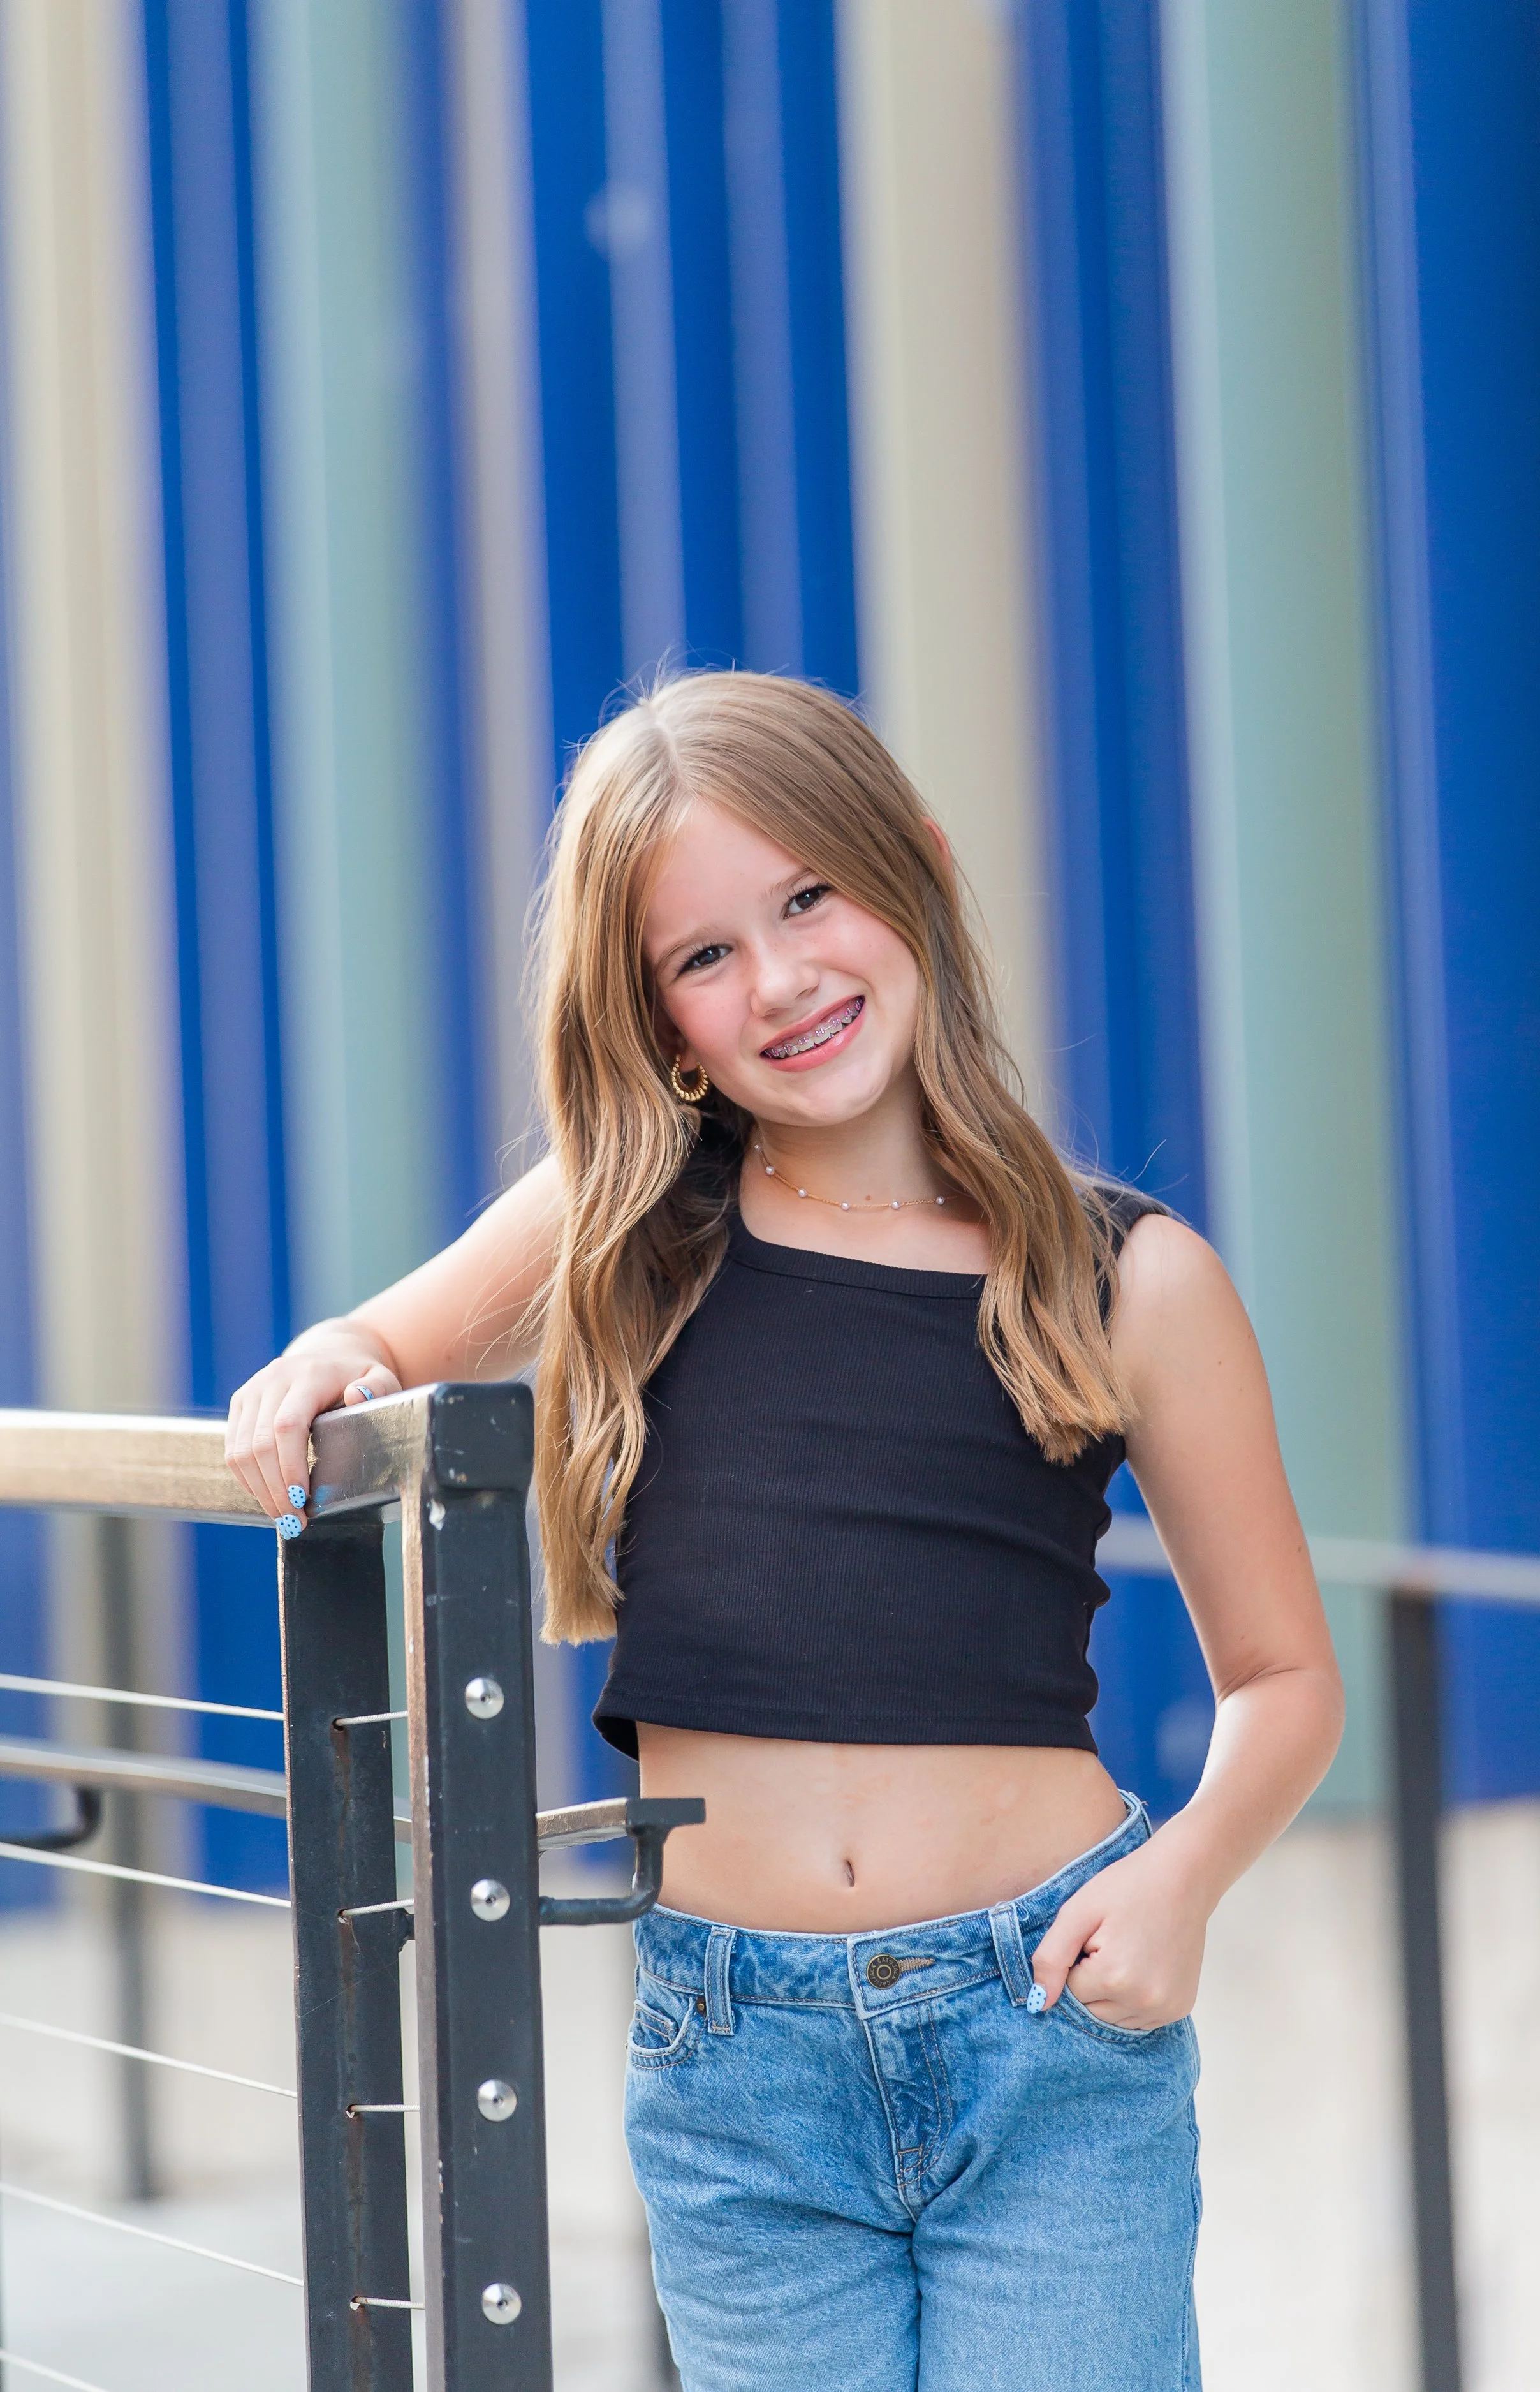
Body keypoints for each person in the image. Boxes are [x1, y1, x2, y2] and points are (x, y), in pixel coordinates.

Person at [226, 672, 1342, 2391]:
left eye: (808, 897)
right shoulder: (621, 1220)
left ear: (914, 869)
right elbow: (383, 1344)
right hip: (733, 2061)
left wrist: (1178, 1879)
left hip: (1041, 2028)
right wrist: (319, 1369)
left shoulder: (1129, 1279)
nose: (782, 979)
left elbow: (1278, 1675)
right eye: (705, 953)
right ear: (659, 1013)